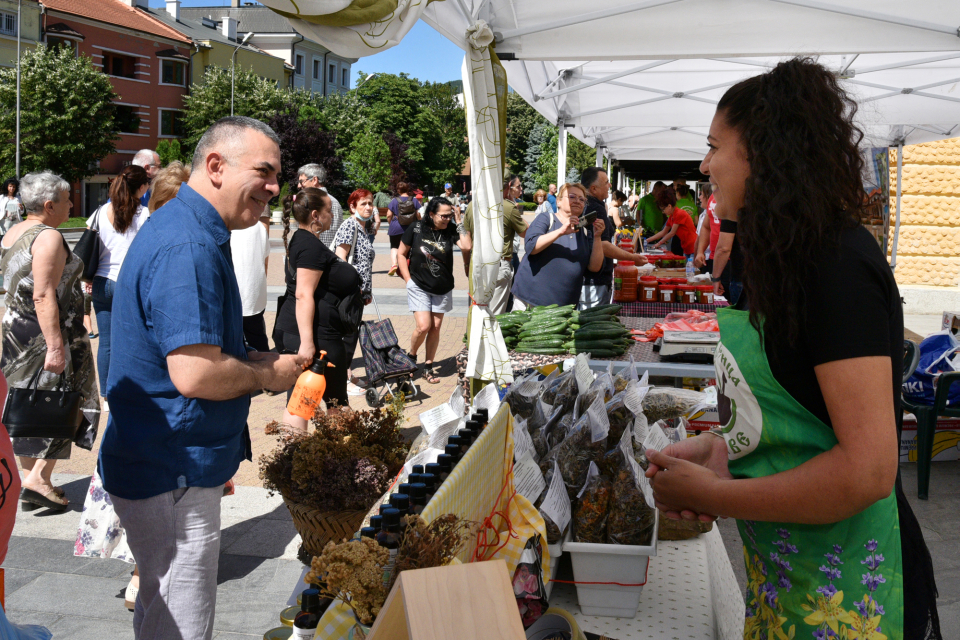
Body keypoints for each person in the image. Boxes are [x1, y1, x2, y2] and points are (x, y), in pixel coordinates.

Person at [644, 57, 941, 640]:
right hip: (787, 580)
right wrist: (720, 451)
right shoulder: (780, 257)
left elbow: (867, 469)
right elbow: (797, 417)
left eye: (714, 147)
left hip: (856, 591)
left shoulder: (836, 266)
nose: (704, 166)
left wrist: (720, 499)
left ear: (762, 152)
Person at [98, 116, 302, 640]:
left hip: (167, 463)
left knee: (160, 606)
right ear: (215, 166)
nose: (276, 186)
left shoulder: (186, 230)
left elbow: (195, 352)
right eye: (265, 171)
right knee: (180, 622)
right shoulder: (187, 244)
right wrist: (268, 375)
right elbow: (195, 373)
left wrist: (254, 360)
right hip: (173, 468)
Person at [77, 161, 191, 614]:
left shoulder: (110, 217)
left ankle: (143, 570)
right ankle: (144, 573)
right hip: (156, 404)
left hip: (111, 299)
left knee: (110, 346)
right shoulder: (160, 237)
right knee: (156, 485)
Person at [1, 171, 100, 512]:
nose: (72, 203)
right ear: (49, 205)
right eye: (67, 198)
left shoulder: (14, 232)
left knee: (32, 406)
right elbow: (43, 295)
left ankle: (34, 480)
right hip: (48, 334)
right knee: (65, 403)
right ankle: (38, 478)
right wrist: (56, 347)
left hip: (18, 332)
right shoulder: (49, 238)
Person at [276, 187, 363, 429]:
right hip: (317, 337)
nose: (333, 215)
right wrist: (307, 343)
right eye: (328, 210)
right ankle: (347, 460)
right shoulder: (310, 246)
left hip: (319, 333)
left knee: (302, 401)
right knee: (322, 404)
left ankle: (299, 458)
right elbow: (304, 294)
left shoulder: (305, 240)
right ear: (315, 215)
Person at [89, 165, 151, 409]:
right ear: (142, 187)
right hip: (127, 282)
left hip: (101, 282)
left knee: (106, 342)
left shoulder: (99, 212)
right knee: (134, 338)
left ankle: (105, 393)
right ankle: (132, 388)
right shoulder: (144, 214)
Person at [398, 198, 471, 384]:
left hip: (443, 286)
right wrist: (408, 280)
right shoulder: (415, 228)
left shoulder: (451, 230)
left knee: (436, 327)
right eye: (443, 215)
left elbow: (466, 246)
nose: (447, 219)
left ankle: (428, 366)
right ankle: (411, 356)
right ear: (431, 214)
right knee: (423, 326)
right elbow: (401, 253)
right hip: (419, 285)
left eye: (449, 215)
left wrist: (459, 221)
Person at [512, 183, 605, 309]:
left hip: (563, 309)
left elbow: (594, 268)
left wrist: (598, 237)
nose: (578, 201)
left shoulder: (584, 232)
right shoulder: (546, 218)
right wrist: (560, 231)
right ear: (559, 202)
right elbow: (531, 246)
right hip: (531, 300)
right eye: (572, 197)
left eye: (582, 199)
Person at [580, 167, 648, 309]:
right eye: (606, 182)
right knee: (594, 323)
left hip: (589, 279)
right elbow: (603, 245)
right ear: (593, 189)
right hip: (594, 282)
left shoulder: (590, 205)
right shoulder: (595, 208)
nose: (610, 186)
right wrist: (632, 258)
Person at [462, 174, 527, 316]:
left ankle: (475, 338)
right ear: (508, 186)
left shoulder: (472, 205)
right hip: (499, 264)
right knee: (495, 316)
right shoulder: (508, 207)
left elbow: (466, 245)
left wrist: (466, 264)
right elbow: (526, 232)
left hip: (477, 263)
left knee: (477, 310)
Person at [335, 189, 377, 395]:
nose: (368, 207)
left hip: (359, 293)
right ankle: (342, 381)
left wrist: (366, 291)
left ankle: (347, 374)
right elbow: (340, 260)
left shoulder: (363, 228)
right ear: (352, 206)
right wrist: (352, 289)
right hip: (348, 293)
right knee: (347, 336)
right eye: (363, 204)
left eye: (370, 203)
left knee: (351, 334)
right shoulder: (349, 226)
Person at [230, 207, 271, 352]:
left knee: (233, 344)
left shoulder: (228, 227)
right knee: (258, 339)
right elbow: (265, 261)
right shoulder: (260, 227)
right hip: (255, 296)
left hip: (234, 296)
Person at [297, 163, 343, 250]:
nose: (299, 185)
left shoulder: (314, 202)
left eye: (302, 181)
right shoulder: (334, 201)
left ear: (315, 180)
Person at [648, 187, 698, 258]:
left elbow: (672, 233)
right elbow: (663, 232)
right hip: (686, 247)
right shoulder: (672, 216)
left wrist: (658, 244)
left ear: (669, 206)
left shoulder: (679, 213)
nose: (663, 212)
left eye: (663, 209)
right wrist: (648, 240)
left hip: (693, 246)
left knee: (691, 268)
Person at [386, 182, 421, 276]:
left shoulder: (394, 200)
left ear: (398, 190)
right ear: (407, 189)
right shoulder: (413, 200)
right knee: (408, 249)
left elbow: (389, 215)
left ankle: (394, 264)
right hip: (410, 228)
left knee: (394, 247)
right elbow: (418, 214)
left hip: (396, 227)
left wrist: (391, 224)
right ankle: (406, 268)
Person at [694, 185, 719, 274]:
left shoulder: (706, 215)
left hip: (711, 258)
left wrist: (695, 258)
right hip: (707, 257)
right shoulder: (703, 215)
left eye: (702, 195)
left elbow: (698, 240)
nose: (699, 197)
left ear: (708, 196)